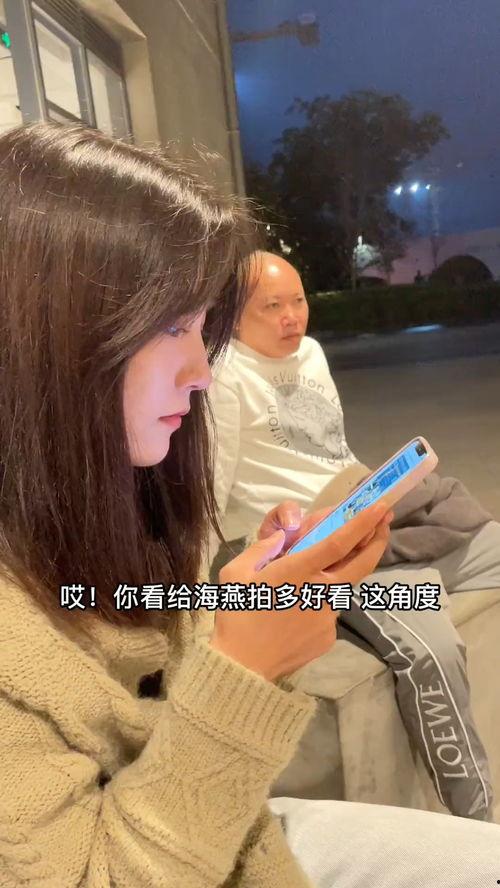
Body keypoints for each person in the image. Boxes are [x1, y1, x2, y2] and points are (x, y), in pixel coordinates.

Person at [1, 124, 499, 888]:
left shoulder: (120, 498)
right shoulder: (218, 397)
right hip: (191, 843)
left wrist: (245, 609)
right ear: (46, 334)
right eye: (173, 325)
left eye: (204, 324)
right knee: (421, 629)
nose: (200, 368)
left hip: (240, 820)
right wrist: (244, 663)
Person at [209, 250, 500, 821]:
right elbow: (208, 492)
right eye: (272, 306)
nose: (292, 316)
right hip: (304, 542)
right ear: (233, 316)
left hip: (358, 503)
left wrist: (374, 492)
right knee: (432, 651)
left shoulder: (311, 354)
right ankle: (478, 822)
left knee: (467, 523)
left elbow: (330, 449)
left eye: (298, 301)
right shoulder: (223, 376)